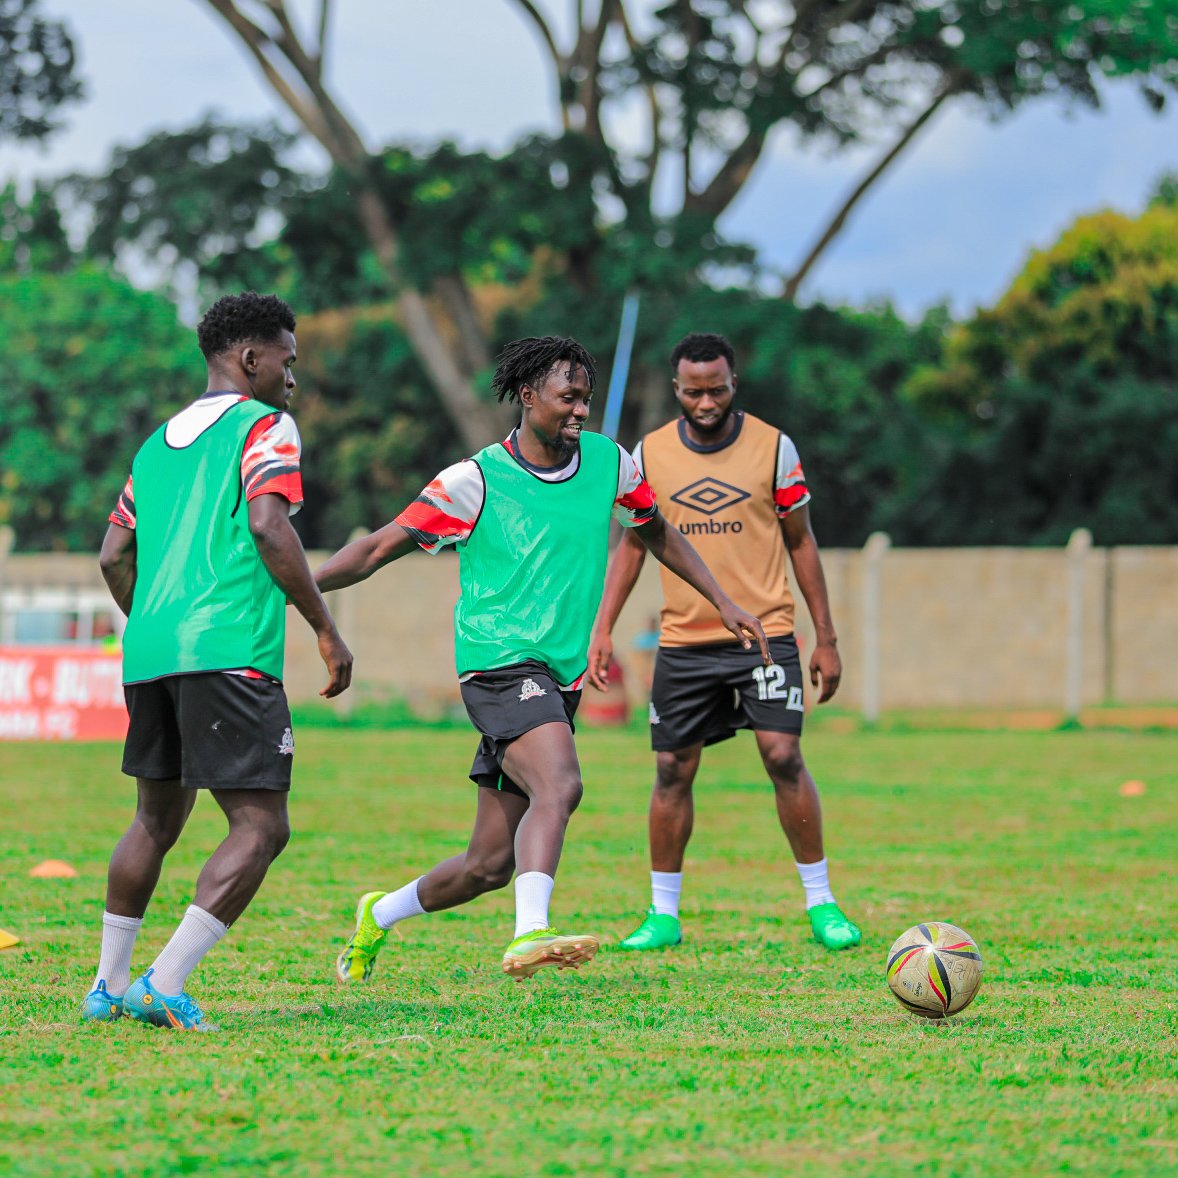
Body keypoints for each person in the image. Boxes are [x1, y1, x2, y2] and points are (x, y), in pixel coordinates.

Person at [318, 336, 769, 982]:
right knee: (560, 783)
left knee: (487, 865)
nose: (580, 411)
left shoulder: (611, 466)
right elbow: (376, 548)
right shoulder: (473, 481)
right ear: (527, 396)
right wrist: (300, 592)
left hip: (558, 678)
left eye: (585, 398)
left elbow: (656, 533)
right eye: (568, 397)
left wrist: (722, 600)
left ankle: (378, 914)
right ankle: (531, 933)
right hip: (497, 663)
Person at [82, 292, 353, 1030]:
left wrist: (157, 627)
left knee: (154, 821)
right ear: (252, 359)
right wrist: (325, 628)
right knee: (262, 827)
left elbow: (113, 554)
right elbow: (270, 525)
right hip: (230, 648)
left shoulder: (154, 445)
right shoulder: (266, 426)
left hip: (151, 654)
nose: (292, 379)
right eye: (287, 363)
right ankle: (164, 982)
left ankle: (106, 986)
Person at [587, 332, 861, 952]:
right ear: (677, 388)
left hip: (765, 637)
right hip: (684, 641)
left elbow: (801, 543)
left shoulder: (773, 448)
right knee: (671, 769)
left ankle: (822, 903)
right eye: (693, 391)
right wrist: (602, 628)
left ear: (733, 384)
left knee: (783, 756)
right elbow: (632, 544)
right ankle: (662, 915)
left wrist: (827, 638)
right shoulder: (649, 454)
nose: (705, 401)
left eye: (716, 389)